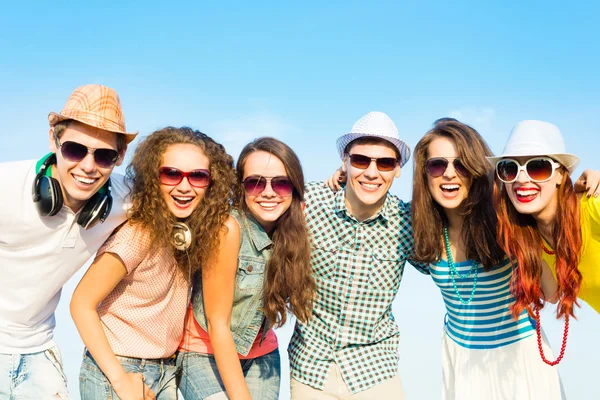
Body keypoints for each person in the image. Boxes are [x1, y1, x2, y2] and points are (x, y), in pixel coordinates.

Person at [70, 127, 237, 399]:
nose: (184, 186)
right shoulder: (138, 234)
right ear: (153, 178)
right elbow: (80, 303)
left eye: (197, 176)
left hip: (165, 371)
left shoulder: (190, 233)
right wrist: (120, 380)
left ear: (211, 184)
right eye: (171, 174)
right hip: (120, 369)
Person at [412, 118, 565, 399]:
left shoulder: (504, 218)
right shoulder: (417, 227)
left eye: (461, 165)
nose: (449, 174)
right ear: (424, 174)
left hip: (519, 357)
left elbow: (553, 293)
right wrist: (345, 175)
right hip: (462, 359)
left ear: (476, 170)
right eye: (437, 165)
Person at [0, 84, 137, 399]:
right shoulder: (6, 186)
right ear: (54, 139)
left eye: (104, 155)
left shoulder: (126, 199)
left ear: (121, 156)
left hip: (38, 353)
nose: (88, 166)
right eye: (75, 150)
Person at [289, 112, 429, 399]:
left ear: (398, 170)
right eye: (361, 160)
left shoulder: (408, 223)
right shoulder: (309, 203)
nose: (372, 172)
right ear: (345, 161)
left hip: (376, 371)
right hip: (310, 369)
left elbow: (449, 259)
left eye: (385, 162)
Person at [178, 137, 315, 400]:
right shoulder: (228, 229)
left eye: (281, 183)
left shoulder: (292, 232)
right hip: (203, 352)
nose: (268, 192)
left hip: (262, 357)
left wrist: (343, 173)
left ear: (294, 188)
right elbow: (219, 326)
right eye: (255, 182)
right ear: (241, 187)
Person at [493, 120, 600, 365]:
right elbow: (551, 294)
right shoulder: (535, 240)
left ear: (562, 175)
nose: (521, 179)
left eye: (537, 167)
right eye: (509, 169)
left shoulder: (592, 209)